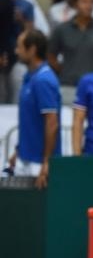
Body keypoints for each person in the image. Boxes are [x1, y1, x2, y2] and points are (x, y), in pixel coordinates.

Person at [8, 29, 61, 188]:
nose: (16, 51)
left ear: (32, 49)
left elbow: (52, 123)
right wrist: (18, 150)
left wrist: (46, 163)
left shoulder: (43, 80)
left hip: (38, 164)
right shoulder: (29, 77)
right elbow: (29, 120)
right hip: (25, 158)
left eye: (19, 47)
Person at [48, 0, 93, 87]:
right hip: (68, 84)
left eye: (92, 2)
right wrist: (64, 72)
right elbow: (51, 56)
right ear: (75, 4)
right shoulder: (62, 29)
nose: (88, 6)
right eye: (84, 2)